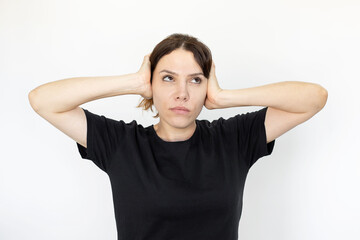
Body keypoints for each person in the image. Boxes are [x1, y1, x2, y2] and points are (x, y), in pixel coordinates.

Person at [28, 33, 328, 240]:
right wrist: (132, 81)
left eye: (195, 80)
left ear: (206, 85)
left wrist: (223, 97)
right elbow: (43, 100)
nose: (181, 93)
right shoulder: (120, 143)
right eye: (168, 78)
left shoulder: (234, 139)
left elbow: (314, 98)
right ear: (151, 84)